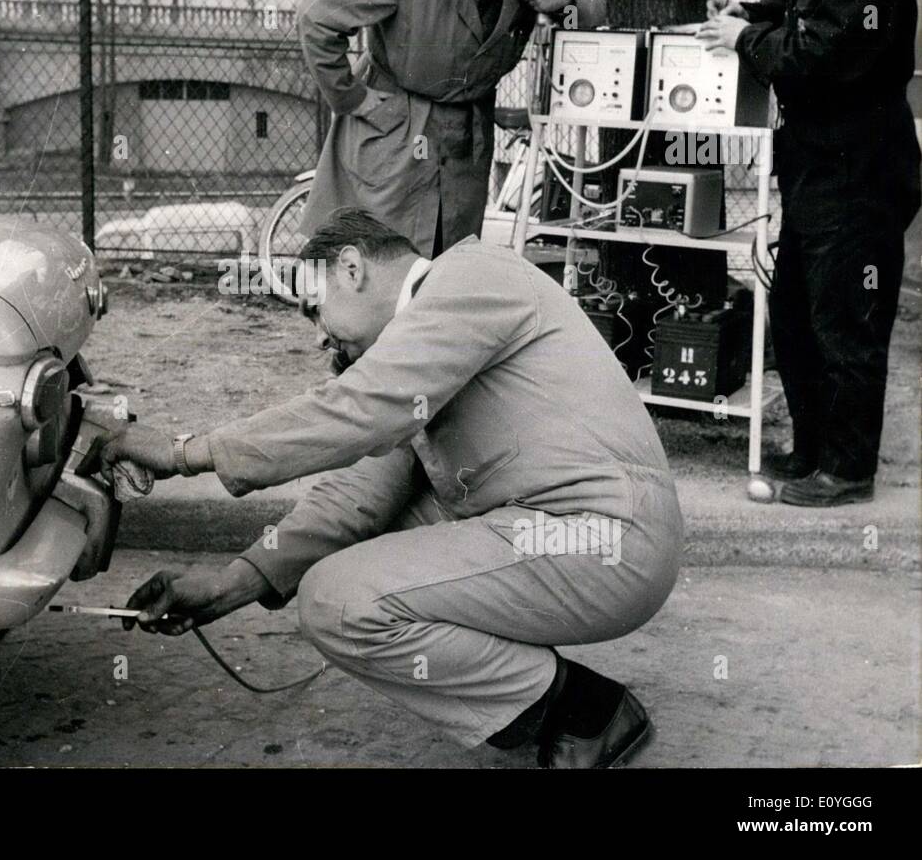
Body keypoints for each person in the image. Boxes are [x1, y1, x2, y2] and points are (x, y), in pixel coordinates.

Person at [101, 209, 683, 768]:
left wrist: (182, 453)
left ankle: (585, 708)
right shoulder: (422, 345)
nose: (320, 337)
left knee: (338, 597)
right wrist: (232, 584)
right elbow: (355, 497)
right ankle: (551, 700)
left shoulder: (472, 277)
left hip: (610, 536)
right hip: (558, 527)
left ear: (352, 269)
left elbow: (354, 411)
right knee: (352, 553)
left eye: (314, 309)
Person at [698, 0, 920, 507]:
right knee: (793, 315)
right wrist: (747, 12)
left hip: (858, 179)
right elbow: (793, 12)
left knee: (845, 321)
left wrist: (742, 39)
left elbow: (814, 58)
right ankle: (815, 449)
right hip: (822, 173)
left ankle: (849, 468)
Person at [296, 0, 606, 257]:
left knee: (451, 257)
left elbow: (594, 12)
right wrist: (351, 98)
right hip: (397, 128)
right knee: (381, 255)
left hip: (466, 135)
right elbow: (317, 17)